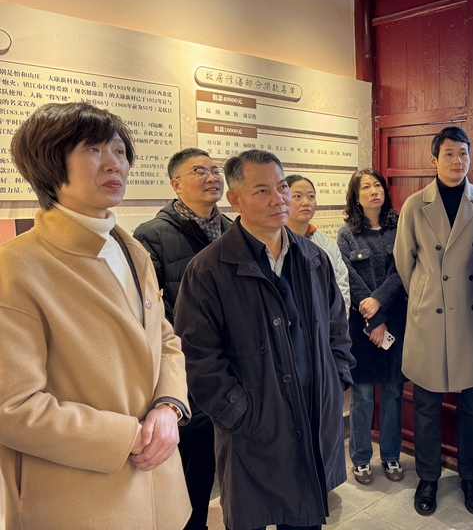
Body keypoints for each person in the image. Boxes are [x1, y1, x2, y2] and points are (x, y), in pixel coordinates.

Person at [0, 102, 191, 529]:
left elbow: (164, 339)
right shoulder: (17, 266)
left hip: (160, 487)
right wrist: (128, 436)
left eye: (120, 151)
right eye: (93, 149)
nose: (114, 163)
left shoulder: (131, 249)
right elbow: (12, 407)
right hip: (79, 501)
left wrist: (169, 406)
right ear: (49, 163)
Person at [173, 149, 355, 530]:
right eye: (262, 191)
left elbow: (337, 328)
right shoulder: (208, 269)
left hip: (311, 415)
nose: (279, 199)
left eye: (283, 187)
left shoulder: (313, 258)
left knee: (304, 519)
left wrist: (337, 379)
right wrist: (239, 414)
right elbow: (198, 358)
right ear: (235, 199)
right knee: (250, 517)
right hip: (252, 430)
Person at [394, 126, 473, 516]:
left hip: (472, 317)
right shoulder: (415, 204)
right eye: (450, 154)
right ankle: (428, 478)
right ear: (434, 159)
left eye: (464, 153)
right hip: (429, 317)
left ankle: (470, 477)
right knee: (426, 406)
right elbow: (404, 261)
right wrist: (426, 294)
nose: (458, 161)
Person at [134, 147, 233, 530]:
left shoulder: (233, 230)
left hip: (233, 366)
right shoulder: (151, 236)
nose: (212, 177)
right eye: (199, 171)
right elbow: (150, 313)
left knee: (226, 459)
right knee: (191, 466)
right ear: (176, 185)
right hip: (187, 370)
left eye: (215, 170)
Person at [337, 168, 407, 485]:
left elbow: (402, 271)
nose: (373, 191)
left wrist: (379, 304)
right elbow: (349, 277)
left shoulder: (400, 227)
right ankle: (361, 459)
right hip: (362, 324)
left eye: (377, 185)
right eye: (366, 187)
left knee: (393, 392)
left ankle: (391, 455)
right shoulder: (346, 234)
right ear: (356, 196)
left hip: (396, 320)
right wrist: (373, 319)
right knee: (363, 396)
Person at [285, 174, 350, 312]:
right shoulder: (276, 242)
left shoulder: (326, 242)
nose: (306, 202)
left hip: (328, 321)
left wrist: (338, 320)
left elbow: (341, 284)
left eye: (311, 196)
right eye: (297, 196)